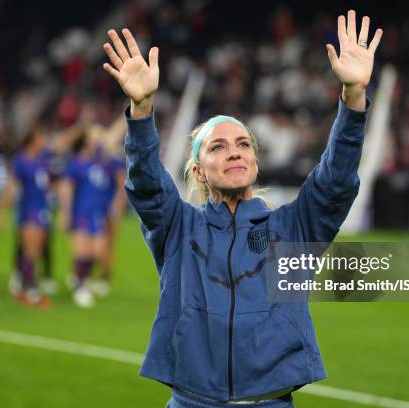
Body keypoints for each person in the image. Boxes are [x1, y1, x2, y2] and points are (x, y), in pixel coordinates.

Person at [102, 10, 382, 408]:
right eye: (217, 146)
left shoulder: (293, 228)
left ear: (255, 161)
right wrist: (143, 108)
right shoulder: (178, 227)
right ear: (198, 170)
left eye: (243, 144)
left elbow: (335, 181)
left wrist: (353, 99)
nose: (233, 151)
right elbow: (146, 184)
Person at [0, 122, 81, 308]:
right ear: (33, 139)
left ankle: (24, 287)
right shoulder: (21, 161)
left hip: (43, 211)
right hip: (28, 211)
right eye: (42, 137)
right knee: (31, 251)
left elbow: (62, 142)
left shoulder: (44, 158)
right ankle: (30, 290)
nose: (45, 140)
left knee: (37, 250)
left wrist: (79, 127)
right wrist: (1, 214)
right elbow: (10, 187)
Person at [58, 116, 127, 307]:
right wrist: (65, 214)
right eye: (93, 138)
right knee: (83, 251)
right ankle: (80, 287)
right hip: (81, 212)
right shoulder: (76, 163)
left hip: (98, 213)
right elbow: (66, 189)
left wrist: (129, 113)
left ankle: (83, 279)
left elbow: (113, 137)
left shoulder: (103, 161)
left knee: (98, 251)